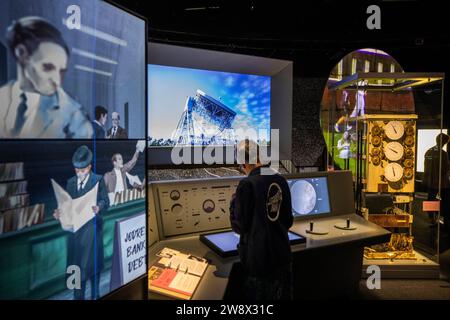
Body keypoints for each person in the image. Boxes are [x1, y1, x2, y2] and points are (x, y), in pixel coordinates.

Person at [0, 17, 93, 139]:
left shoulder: (75, 117)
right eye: (48, 67)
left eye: (61, 71)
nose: (57, 81)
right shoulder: (3, 96)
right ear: (21, 53)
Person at [229, 140, 294, 300]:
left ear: (244, 163)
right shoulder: (280, 179)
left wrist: (233, 204)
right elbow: (288, 221)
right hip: (282, 257)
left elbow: (240, 227)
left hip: (259, 262)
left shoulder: (246, 184)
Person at [53, 145, 109, 300]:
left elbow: (106, 201)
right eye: (76, 170)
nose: (79, 173)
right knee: (76, 283)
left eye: (82, 170)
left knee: (93, 277)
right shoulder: (70, 182)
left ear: (89, 167)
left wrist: (99, 207)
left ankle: (95, 295)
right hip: (75, 238)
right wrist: (60, 213)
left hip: (92, 235)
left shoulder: (98, 180)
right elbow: (67, 206)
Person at [423, 133, 450, 252]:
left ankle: (432, 219)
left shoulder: (429, 151)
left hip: (431, 183)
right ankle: (441, 220)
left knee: (430, 199)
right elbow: (446, 168)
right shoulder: (443, 154)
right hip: (442, 183)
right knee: (443, 201)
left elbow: (426, 167)